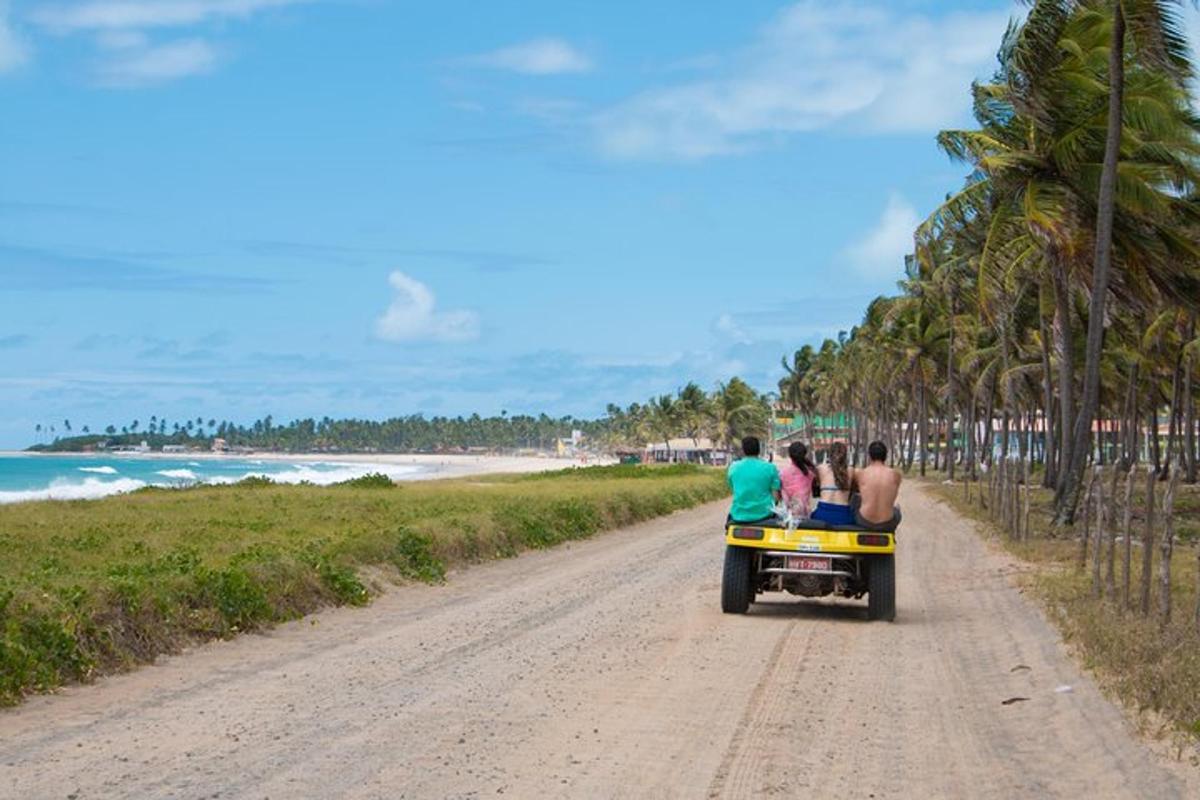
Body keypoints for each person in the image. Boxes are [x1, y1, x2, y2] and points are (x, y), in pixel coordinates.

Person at [726, 436, 781, 525]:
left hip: (738, 515)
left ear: (743, 451)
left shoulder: (733, 468)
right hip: (765, 515)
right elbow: (776, 497)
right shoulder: (770, 468)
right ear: (759, 450)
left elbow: (734, 489)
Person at [852, 440, 902, 531]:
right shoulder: (896, 475)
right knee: (896, 509)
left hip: (864, 521)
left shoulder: (860, 474)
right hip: (887, 522)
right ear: (885, 456)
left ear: (870, 456)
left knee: (854, 498)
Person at [810, 441, 856, 525]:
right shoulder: (851, 471)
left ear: (829, 455)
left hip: (823, 513)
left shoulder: (821, 469)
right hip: (843, 514)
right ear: (845, 456)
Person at [779, 441, 815, 519]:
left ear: (789, 455)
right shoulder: (810, 473)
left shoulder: (783, 473)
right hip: (806, 515)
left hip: (789, 517)